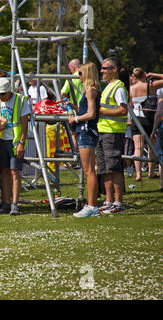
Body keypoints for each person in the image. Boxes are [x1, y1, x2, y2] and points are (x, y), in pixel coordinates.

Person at [67, 62, 101, 217]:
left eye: (80, 73)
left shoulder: (90, 90)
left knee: (89, 170)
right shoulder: (90, 90)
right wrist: (75, 107)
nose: (78, 77)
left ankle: (92, 206)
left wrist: (75, 118)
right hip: (86, 131)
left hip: (86, 132)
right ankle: (91, 205)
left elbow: (91, 114)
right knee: (88, 170)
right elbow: (87, 111)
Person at [0, 77, 31, 215]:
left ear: (9, 91)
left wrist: (21, 142)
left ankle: (15, 204)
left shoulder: (20, 100)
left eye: (3, 94)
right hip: (1, 140)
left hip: (15, 143)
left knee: (15, 172)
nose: (1, 97)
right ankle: (5, 204)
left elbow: (25, 124)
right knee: (4, 172)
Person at [96, 57, 129, 214]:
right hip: (103, 131)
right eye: (101, 68)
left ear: (114, 69)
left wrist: (102, 112)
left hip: (113, 132)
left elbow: (123, 110)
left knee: (114, 168)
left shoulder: (119, 88)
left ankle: (118, 203)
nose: (102, 71)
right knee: (105, 169)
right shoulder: (108, 86)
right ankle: (109, 201)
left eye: (105, 68)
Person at [129, 68, 163, 180]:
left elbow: (130, 104)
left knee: (137, 147)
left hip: (136, 117)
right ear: (145, 74)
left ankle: (138, 174)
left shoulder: (131, 89)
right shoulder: (151, 86)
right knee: (151, 146)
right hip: (149, 117)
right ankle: (151, 172)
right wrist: (154, 74)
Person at [61, 59, 84, 151]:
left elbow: (62, 93)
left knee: (73, 135)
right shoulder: (86, 76)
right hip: (86, 109)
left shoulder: (72, 78)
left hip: (75, 111)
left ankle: (75, 158)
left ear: (73, 67)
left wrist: (66, 102)